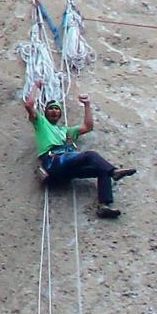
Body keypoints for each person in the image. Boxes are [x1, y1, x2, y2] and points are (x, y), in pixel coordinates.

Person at [23, 84, 136, 218]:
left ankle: (103, 206)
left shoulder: (66, 131)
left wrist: (87, 104)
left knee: (101, 170)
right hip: (53, 162)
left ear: (60, 113)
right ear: (45, 112)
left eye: (57, 109)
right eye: (51, 109)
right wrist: (36, 85)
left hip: (65, 170)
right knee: (90, 155)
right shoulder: (40, 123)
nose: (54, 111)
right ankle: (114, 172)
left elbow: (88, 126)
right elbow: (29, 105)